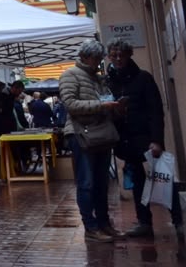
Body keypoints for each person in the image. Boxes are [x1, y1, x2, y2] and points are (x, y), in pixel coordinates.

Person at [105, 39, 183, 237]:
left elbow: (155, 111)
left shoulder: (143, 78)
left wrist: (156, 139)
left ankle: (178, 221)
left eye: (121, 54)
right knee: (137, 181)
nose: (117, 59)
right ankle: (144, 222)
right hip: (125, 137)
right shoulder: (109, 81)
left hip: (145, 136)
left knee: (163, 177)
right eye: (113, 55)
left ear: (129, 54)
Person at [60, 39, 128, 243]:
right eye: (96, 59)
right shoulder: (70, 75)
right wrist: (101, 106)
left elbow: (104, 101)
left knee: (101, 183)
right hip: (82, 134)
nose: (98, 63)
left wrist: (115, 107)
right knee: (87, 183)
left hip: (101, 134)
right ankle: (90, 226)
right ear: (85, 56)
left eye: (100, 59)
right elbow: (70, 104)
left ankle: (104, 224)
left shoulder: (98, 79)